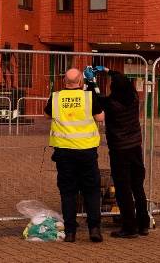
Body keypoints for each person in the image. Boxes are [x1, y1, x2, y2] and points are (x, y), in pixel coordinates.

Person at [44, 68, 105, 243]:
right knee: (92, 191)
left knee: (68, 192)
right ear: (80, 82)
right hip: (86, 152)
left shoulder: (56, 97)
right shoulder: (88, 96)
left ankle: (70, 232)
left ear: (65, 81)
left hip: (64, 152)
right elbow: (100, 117)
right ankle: (94, 229)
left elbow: (47, 114)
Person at [97, 67, 150, 238]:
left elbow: (96, 100)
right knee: (138, 187)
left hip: (120, 149)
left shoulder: (112, 104)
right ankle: (143, 224)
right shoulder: (134, 97)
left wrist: (91, 81)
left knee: (123, 189)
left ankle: (129, 227)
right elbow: (123, 79)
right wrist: (108, 70)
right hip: (135, 148)